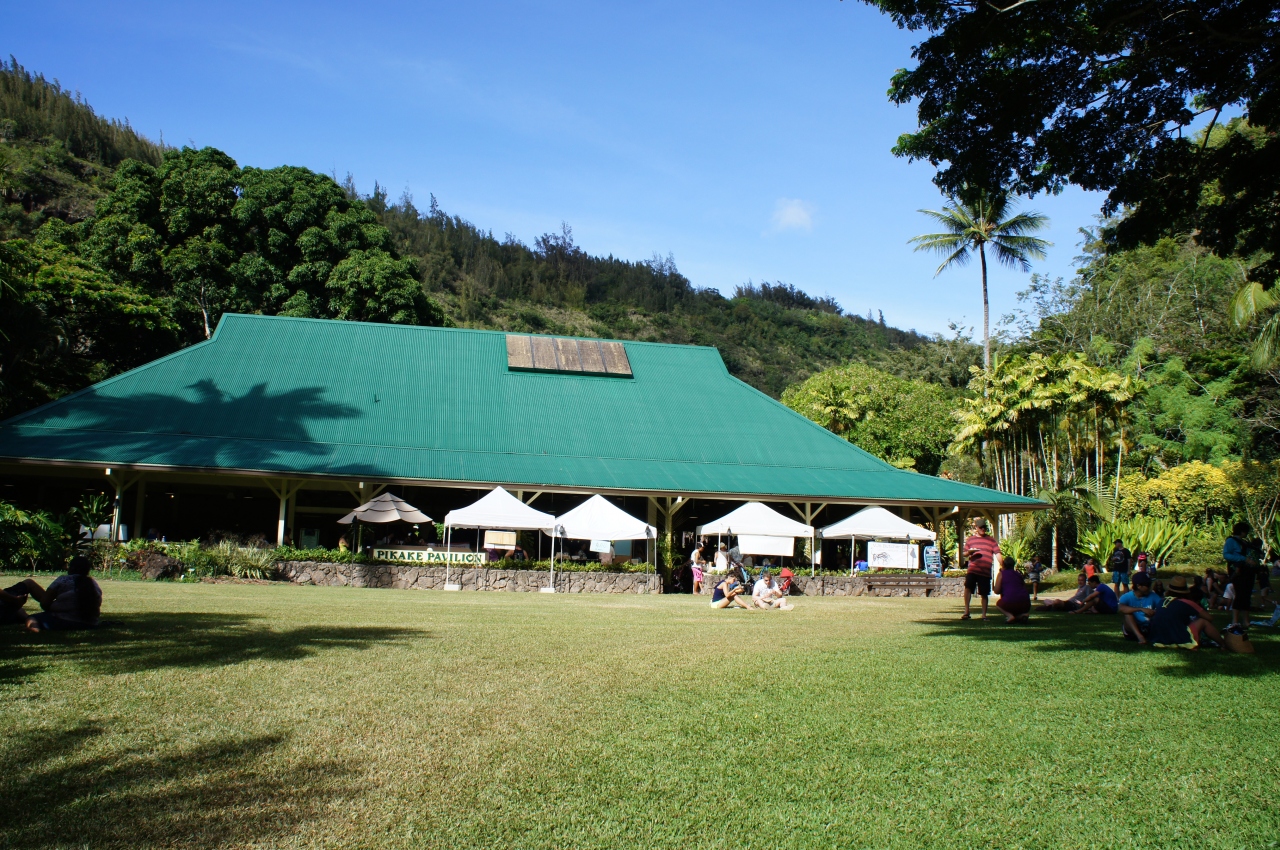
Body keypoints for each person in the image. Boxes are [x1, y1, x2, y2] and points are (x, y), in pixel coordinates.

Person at [12, 555, 103, 632]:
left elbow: (44, 603)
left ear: (71, 568)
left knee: (32, 618)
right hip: (90, 623)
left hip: (64, 621)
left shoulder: (63, 580)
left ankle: (34, 629)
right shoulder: (93, 583)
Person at [1149, 576, 1224, 650]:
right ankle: (1223, 644)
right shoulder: (1187, 603)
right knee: (1203, 621)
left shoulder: (1162, 601)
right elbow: (1209, 618)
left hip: (1158, 639)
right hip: (1177, 639)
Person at [961, 518, 1000, 620]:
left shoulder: (991, 540)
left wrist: (1003, 565)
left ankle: (984, 615)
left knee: (984, 593)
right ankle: (966, 611)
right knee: (968, 588)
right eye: (981, 527)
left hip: (985, 571)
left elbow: (998, 553)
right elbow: (964, 553)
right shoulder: (971, 540)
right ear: (976, 528)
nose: (983, 529)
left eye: (984, 527)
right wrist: (969, 552)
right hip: (973, 570)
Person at [1223, 522, 1256, 628]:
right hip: (1238, 570)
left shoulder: (1245, 542)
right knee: (1240, 594)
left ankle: (1246, 620)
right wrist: (1243, 559)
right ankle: (1235, 620)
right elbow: (1226, 555)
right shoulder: (1231, 541)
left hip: (1248, 571)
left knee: (1247, 595)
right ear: (1242, 531)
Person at [1118, 573, 1160, 645]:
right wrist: (1141, 609)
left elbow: (1162, 607)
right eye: (1148, 585)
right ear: (1139, 586)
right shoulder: (1127, 597)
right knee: (1127, 614)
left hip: (1148, 627)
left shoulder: (1153, 595)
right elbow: (1121, 608)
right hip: (1132, 630)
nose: (1150, 587)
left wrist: (1155, 612)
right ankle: (1140, 637)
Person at [994, 556, 1031, 623]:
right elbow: (1023, 586)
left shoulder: (1001, 574)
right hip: (1025, 603)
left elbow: (996, 591)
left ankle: (1009, 616)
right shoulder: (1018, 574)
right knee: (1016, 606)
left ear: (1003, 565)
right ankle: (1021, 615)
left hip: (1010, 601)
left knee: (998, 605)